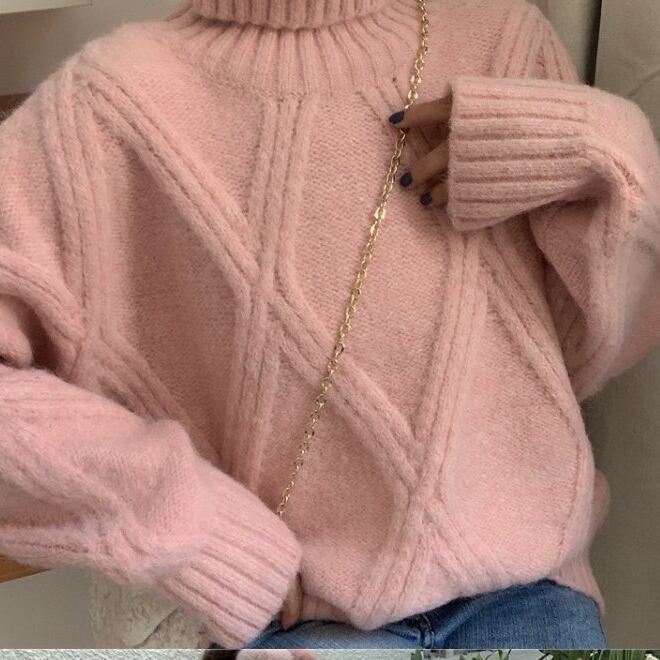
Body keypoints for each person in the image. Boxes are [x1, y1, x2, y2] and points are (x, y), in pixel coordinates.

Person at [1, 0, 659, 650]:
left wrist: (609, 152)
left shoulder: (502, 38)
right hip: (302, 618)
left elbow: (588, 351)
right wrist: (191, 527)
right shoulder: (105, 102)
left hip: (532, 594)